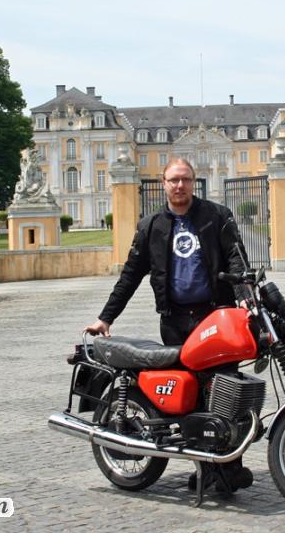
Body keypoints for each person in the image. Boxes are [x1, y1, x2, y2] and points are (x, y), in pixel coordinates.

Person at [84, 157, 253, 491]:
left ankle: (229, 467)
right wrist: (106, 318)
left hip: (215, 316)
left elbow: (237, 259)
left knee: (225, 390)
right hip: (175, 321)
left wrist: (245, 296)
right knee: (187, 399)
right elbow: (130, 275)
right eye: (174, 180)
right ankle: (205, 468)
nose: (180, 186)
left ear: (194, 182)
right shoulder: (151, 226)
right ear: (163, 183)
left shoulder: (216, 216)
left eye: (186, 180)